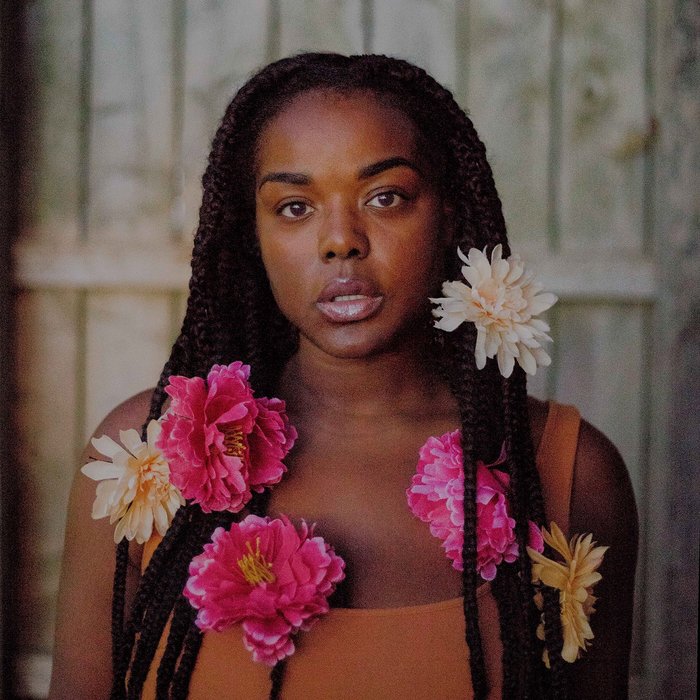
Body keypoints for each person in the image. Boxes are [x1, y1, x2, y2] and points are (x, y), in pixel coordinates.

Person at [49, 53, 638, 699]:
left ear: (448, 216)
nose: (340, 240)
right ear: (254, 235)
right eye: (295, 206)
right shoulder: (144, 460)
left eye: (385, 197)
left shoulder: (568, 473)